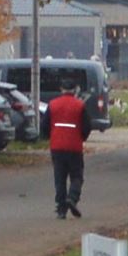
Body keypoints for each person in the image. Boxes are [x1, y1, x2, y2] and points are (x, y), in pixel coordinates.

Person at [47, 84, 93, 219]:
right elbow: (87, 126)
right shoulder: (80, 105)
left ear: (61, 89)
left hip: (57, 146)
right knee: (77, 176)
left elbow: (45, 125)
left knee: (59, 178)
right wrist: (82, 138)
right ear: (75, 90)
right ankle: (72, 198)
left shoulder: (52, 104)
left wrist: (52, 136)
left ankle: (61, 209)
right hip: (74, 146)